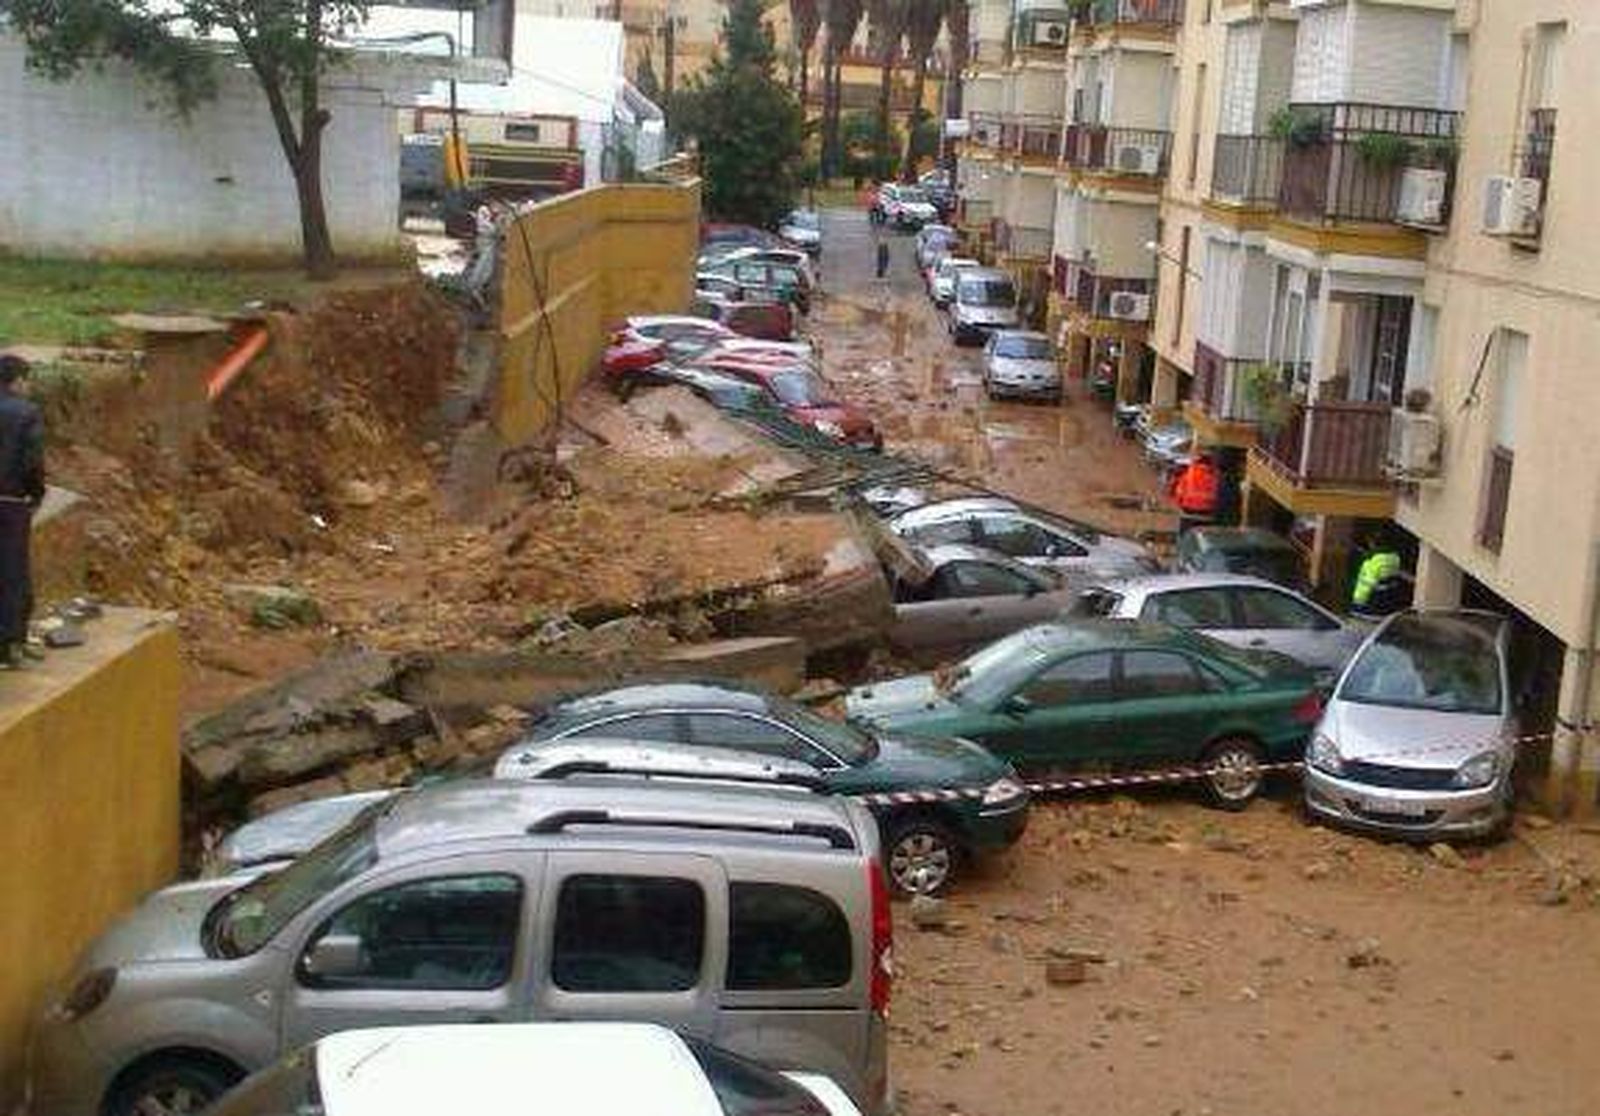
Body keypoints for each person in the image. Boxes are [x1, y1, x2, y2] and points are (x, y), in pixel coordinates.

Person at [0, 354, 45, 669]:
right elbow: (32, 462)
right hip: (11, 503)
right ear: (16, 381)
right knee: (13, 572)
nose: (29, 386)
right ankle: (8, 646)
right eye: (27, 379)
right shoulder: (26, 413)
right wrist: (36, 494)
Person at [1169, 451, 1219, 534]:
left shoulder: (1189, 474)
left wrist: (1181, 504)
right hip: (1206, 514)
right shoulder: (1214, 476)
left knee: (1185, 538)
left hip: (1188, 513)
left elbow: (1178, 492)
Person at [1352, 537, 1403, 612]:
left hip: (1365, 604)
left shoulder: (1371, 562)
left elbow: (1368, 584)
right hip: (1387, 604)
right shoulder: (1395, 558)